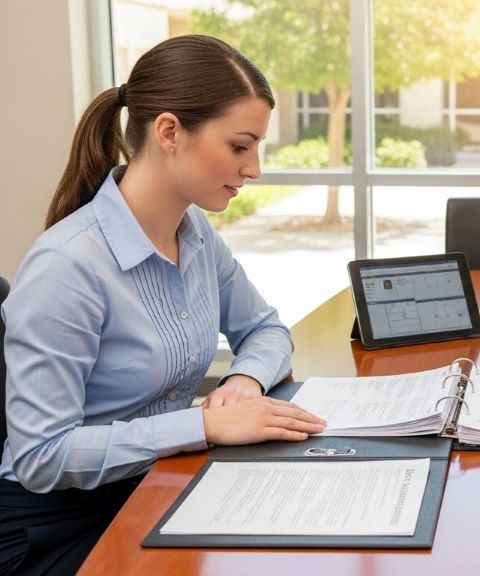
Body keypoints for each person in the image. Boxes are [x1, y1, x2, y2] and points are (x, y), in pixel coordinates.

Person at [0, 35, 326, 574]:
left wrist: (242, 383)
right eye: (240, 146)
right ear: (169, 132)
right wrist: (203, 427)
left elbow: (266, 329)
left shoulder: (193, 232)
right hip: (54, 526)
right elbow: (41, 456)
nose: (255, 169)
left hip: (155, 486)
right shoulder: (67, 266)